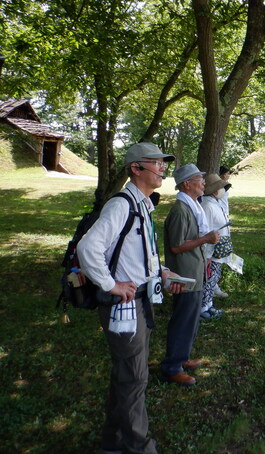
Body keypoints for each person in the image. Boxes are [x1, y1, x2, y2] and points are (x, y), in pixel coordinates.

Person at [77, 142, 180, 454]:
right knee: (134, 378)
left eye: (164, 164)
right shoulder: (122, 205)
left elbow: (136, 252)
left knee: (127, 373)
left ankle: (114, 441)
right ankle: (140, 447)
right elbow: (88, 248)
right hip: (124, 306)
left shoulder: (143, 204)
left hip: (139, 303)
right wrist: (111, 285)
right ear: (136, 169)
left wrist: (159, 270)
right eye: (157, 164)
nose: (163, 169)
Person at [161, 164, 220, 386]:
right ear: (187, 184)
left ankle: (182, 358)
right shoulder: (180, 210)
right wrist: (205, 240)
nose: (204, 183)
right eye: (199, 179)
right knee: (182, 320)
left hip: (193, 273)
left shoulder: (192, 206)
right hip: (184, 276)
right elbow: (177, 246)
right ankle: (172, 367)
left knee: (190, 320)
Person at [200, 173, 232, 320]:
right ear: (213, 190)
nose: (222, 190)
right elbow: (205, 230)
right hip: (211, 250)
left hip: (218, 249)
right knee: (208, 278)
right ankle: (202, 308)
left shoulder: (215, 203)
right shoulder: (207, 205)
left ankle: (209, 304)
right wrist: (206, 255)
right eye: (220, 187)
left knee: (213, 277)